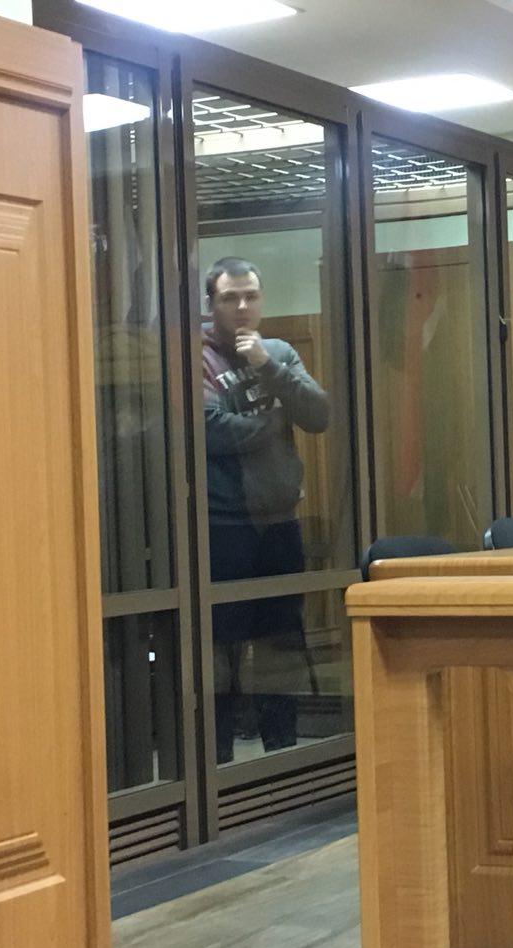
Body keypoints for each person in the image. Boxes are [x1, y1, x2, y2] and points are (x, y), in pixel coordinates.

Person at [202, 257, 330, 764]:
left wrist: (266, 368)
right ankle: (218, 764)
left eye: (250, 296)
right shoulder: (196, 358)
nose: (242, 306)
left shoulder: (278, 353)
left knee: (282, 645)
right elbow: (210, 432)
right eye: (230, 297)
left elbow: (317, 414)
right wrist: (275, 424)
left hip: (279, 524)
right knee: (221, 650)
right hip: (223, 526)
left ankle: (283, 756)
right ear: (211, 303)